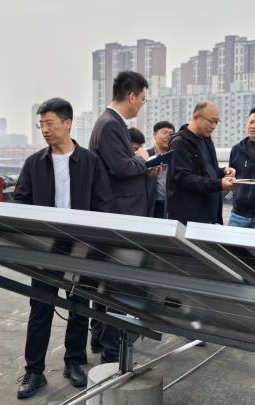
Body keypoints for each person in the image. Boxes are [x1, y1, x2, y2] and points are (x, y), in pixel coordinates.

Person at [13, 98, 111, 399]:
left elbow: (103, 204)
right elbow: (19, 202)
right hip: (45, 249)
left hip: (82, 248)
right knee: (40, 308)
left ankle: (74, 362)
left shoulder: (90, 162)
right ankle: (34, 371)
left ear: (67, 123)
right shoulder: (34, 163)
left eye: (50, 123)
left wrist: (93, 244)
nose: (44, 129)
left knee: (79, 307)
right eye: (41, 124)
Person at [88, 70, 159, 363]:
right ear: (131, 96)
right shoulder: (110, 125)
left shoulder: (112, 124)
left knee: (111, 284)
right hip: (119, 215)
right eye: (142, 99)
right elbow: (121, 168)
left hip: (119, 213)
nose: (141, 105)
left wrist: (143, 166)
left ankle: (104, 341)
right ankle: (112, 350)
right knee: (119, 286)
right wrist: (143, 160)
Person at [167, 101, 236, 225]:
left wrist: (223, 171)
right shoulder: (180, 143)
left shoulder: (206, 139)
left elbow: (206, 170)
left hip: (210, 213)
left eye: (217, 122)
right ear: (196, 118)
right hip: (189, 217)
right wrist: (219, 184)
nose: (214, 126)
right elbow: (184, 177)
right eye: (211, 121)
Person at [147, 121, 175, 218]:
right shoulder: (146, 155)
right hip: (152, 203)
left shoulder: (175, 156)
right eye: (164, 132)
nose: (168, 136)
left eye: (171, 134)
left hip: (171, 204)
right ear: (154, 135)